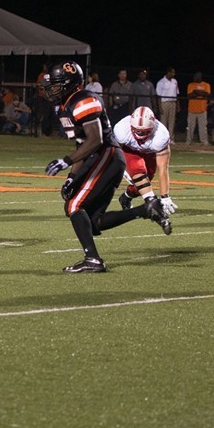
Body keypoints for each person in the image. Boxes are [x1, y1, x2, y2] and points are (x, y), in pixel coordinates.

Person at [43, 61, 172, 274]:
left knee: (73, 206)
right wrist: (71, 177)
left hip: (106, 154)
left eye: (56, 85)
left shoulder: (84, 101)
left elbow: (94, 140)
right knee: (94, 221)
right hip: (101, 157)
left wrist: (65, 160)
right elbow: (81, 143)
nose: (52, 90)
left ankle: (92, 259)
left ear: (70, 84)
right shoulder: (66, 107)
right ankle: (146, 209)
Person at [114, 106, 178, 217]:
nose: (140, 135)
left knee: (146, 181)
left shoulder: (160, 136)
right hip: (130, 150)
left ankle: (126, 197)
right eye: (137, 131)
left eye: (144, 132)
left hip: (150, 152)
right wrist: (121, 167)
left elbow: (163, 168)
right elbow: (114, 152)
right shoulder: (122, 129)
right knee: (139, 172)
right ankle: (150, 202)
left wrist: (165, 197)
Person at [185, 71, 211, 145]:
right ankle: (189, 141)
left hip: (202, 109)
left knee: (203, 127)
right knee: (190, 127)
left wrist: (196, 92)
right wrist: (201, 93)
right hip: (192, 109)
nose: (194, 78)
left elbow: (207, 94)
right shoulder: (191, 85)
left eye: (196, 76)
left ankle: (204, 141)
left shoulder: (206, 85)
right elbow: (190, 95)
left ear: (200, 77)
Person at [155, 67, 179, 139]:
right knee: (163, 121)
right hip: (164, 102)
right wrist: (160, 106)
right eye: (172, 72)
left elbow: (176, 93)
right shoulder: (161, 82)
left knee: (172, 121)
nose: (174, 74)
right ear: (168, 72)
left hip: (173, 102)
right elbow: (158, 96)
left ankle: (171, 138)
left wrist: (178, 105)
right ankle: (163, 138)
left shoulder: (175, 81)